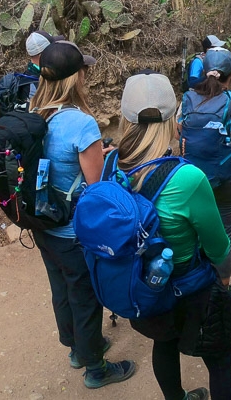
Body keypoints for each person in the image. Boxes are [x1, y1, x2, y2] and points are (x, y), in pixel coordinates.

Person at [118, 72, 231, 400]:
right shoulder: (187, 177)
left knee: (164, 344)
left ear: (124, 118)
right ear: (175, 118)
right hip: (190, 286)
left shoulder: (112, 166)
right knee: (221, 358)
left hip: (145, 286)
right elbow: (218, 247)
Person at [27, 41, 136, 389]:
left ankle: (77, 348)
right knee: (85, 297)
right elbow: (95, 186)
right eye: (84, 70)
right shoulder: (81, 123)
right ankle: (95, 368)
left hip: (43, 224)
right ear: (76, 77)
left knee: (61, 289)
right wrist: (104, 156)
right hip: (72, 231)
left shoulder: (34, 112)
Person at [179, 47, 231, 297]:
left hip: (192, 181)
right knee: (222, 236)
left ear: (203, 73)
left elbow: (179, 134)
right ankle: (221, 292)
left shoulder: (187, 100)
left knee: (194, 233)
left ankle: (194, 283)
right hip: (229, 183)